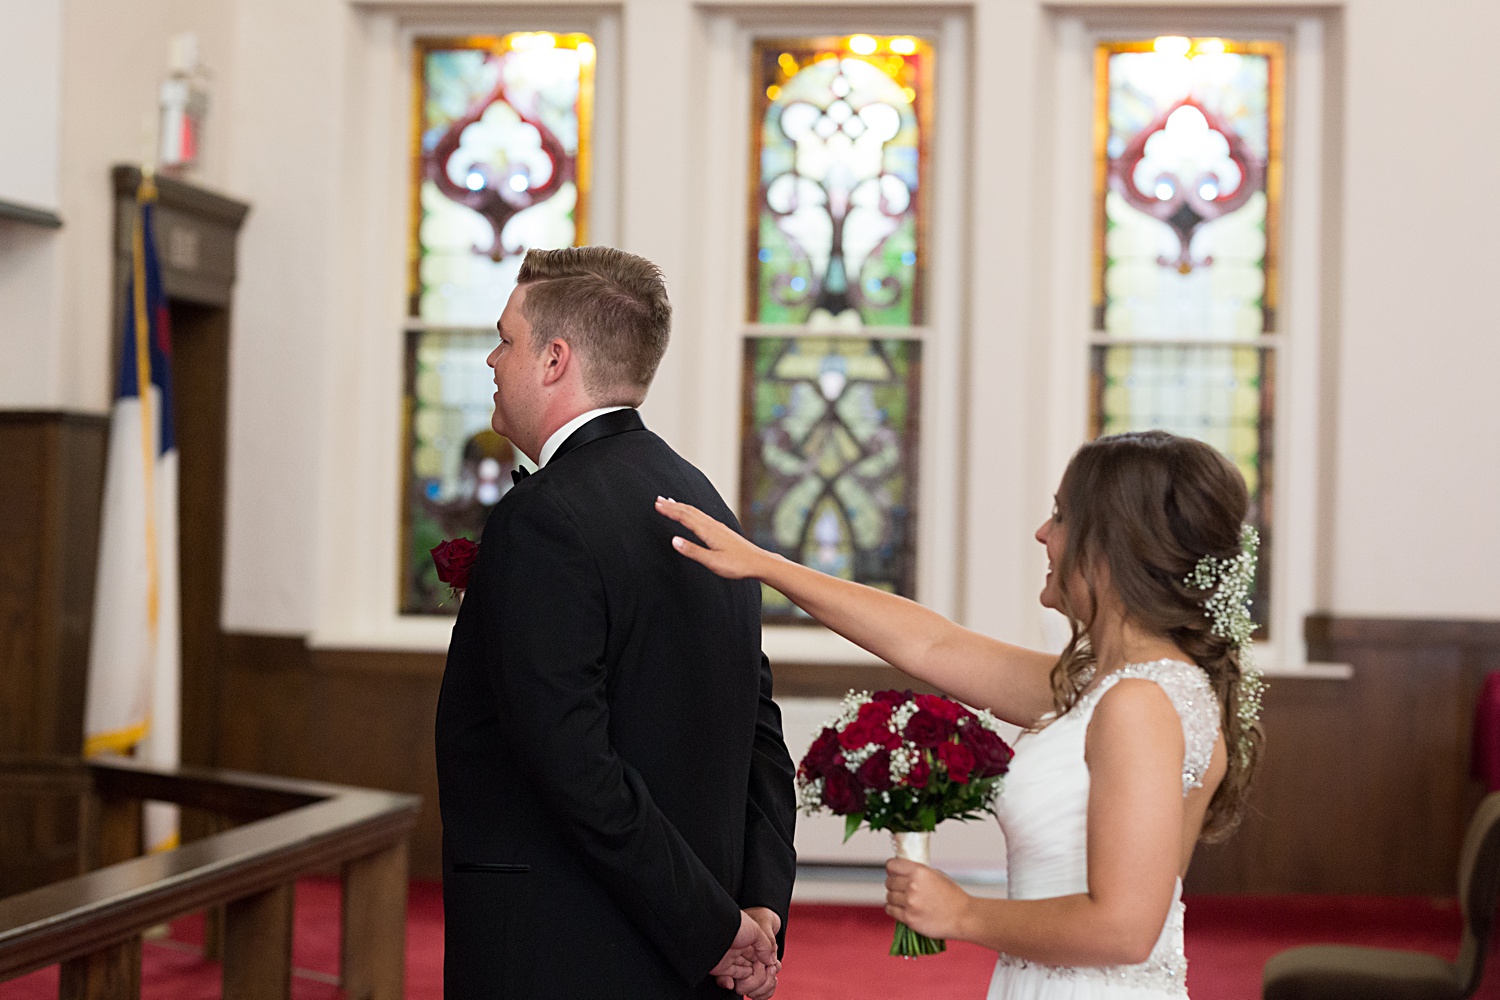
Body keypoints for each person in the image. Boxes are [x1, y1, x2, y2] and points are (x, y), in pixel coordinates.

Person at [657, 430, 1265, 999]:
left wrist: (961, 911)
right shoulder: (1105, 685)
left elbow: (1124, 930)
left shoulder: (1139, 703)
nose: (1042, 533)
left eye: (1061, 515)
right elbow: (932, 645)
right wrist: (767, 566)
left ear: (1110, 548)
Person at [437, 246, 797, 999]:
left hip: (564, 949)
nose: (492, 361)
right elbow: (759, 727)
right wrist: (755, 905)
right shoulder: (700, 498)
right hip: (684, 950)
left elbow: (571, 762)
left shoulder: (545, 518)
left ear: (554, 359)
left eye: (507, 338)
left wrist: (713, 927)